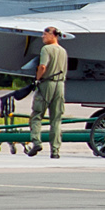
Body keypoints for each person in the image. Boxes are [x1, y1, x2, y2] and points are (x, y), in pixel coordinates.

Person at [27, 26, 67, 158]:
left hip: (47, 84)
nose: (42, 37)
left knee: (37, 115)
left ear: (53, 35)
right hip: (60, 85)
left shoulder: (46, 49)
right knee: (56, 120)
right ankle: (55, 151)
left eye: (45, 34)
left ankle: (36, 141)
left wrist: (37, 79)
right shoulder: (63, 51)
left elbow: (43, 66)